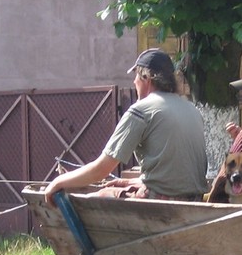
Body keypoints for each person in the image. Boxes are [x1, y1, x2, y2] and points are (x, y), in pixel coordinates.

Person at [44, 49, 208, 202]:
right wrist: (134, 181)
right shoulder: (191, 109)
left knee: (95, 197)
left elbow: (101, 170)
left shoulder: (142, 110)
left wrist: (58, 182)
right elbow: (177, 173)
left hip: (161, 204)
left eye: (136, 75)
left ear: (146, 78)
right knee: (115, 188)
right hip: (195, 202)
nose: (134, 81)